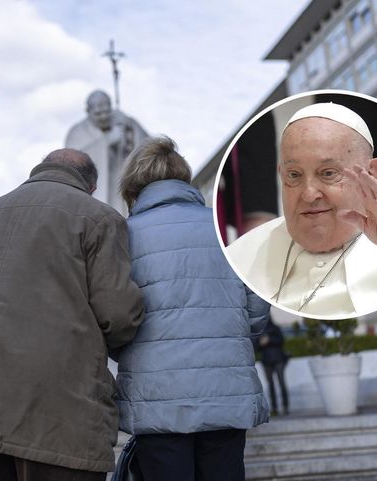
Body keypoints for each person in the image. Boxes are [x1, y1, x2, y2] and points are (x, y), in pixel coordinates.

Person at [0, 149, 145, 481]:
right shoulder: (99, 218)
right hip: (59, 417)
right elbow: (119, 316)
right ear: (91, 185)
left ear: (37, 171)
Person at [115, 136, 270, 481]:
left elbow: (114, 315)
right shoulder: (225, 230)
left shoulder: (123, 236)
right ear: (183, 179)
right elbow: (258, 307)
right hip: (225, 391)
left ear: (133, 185)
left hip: (157, 397)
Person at [226, 102, 377, 317]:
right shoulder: (241, 254)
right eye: (294, 175)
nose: (309, 194)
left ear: (372, 173)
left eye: (328, 173)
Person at [65, 90, 148, 214]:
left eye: (107, 112)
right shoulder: (77, 132)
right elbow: (71, 163)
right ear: (88, 111)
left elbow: (148, 146)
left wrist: (130, 127)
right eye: (98, 114)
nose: (104, 117)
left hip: (120, 193)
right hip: (93, 197)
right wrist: (106, 141)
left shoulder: (120, 121)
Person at [256, 316, 290, 416]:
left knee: (281, 383)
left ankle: (285, 406)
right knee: (271, 385)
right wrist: (261, 343)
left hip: (278, 359)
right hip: (266, 361)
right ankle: (274, 408)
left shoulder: (275, 328)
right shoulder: (259, 331)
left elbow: (281, 340)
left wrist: (269, 340)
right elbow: (256, 347)